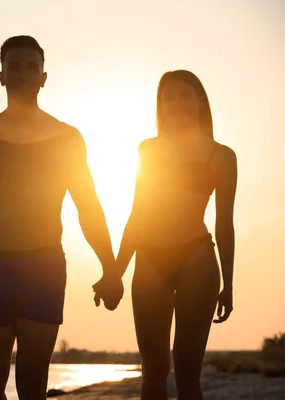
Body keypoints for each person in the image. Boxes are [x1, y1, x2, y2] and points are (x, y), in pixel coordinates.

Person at [0, 35, 123, 400]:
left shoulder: (67, 138)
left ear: (44, 77)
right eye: (14, 67)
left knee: (33, 383)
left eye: (31, 67)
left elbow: (89, 207)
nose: (23, 73)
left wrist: (110, 267)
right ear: (1, 76)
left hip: (44, 266)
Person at [101, 70, 237, 400]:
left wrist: (228, 284)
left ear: (200, 101)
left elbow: (224, 223)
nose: (176, 102)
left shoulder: (222, 155)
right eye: (168, 97)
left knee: (188, 369)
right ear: (160, 105)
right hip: (149, 259)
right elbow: (137, 214)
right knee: (154, 369)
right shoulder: (148, 149)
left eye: (184, 94)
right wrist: (115, 272)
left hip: (198, 259)